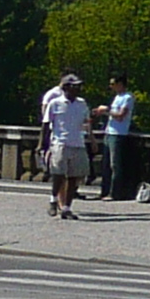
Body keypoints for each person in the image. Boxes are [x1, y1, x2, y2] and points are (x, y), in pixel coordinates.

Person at [43, 74, 93, 218]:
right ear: (66, 88)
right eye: (74, 86)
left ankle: (66, 207)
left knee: (74, 176)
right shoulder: (55, 103)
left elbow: (86, 122)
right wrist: (43, 144)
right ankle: (53, 201)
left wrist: (91, 137)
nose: (78, 89)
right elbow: (46, 125)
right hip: (60, 143)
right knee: (58, 174)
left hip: (78, 143)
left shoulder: (82, 103)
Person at [101, 75, 141, 203]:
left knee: (115, 165)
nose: (111, 87)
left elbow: (120, 116)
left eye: (113, 84)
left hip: (118, 134)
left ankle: (115, 193)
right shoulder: (117, 97)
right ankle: (104, 191)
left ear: (120, 84)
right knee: (106, 164)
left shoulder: (128, 97)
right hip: (109, 132)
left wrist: (106, 111)